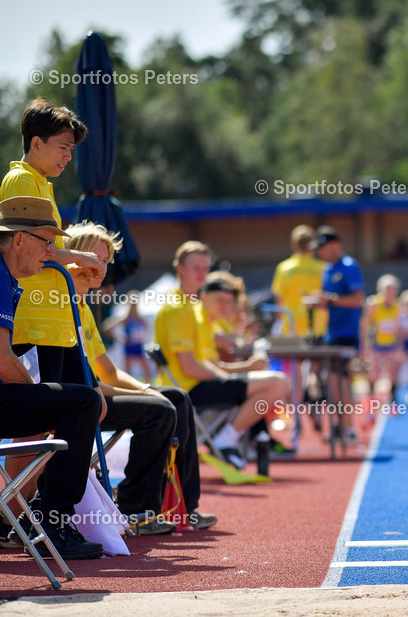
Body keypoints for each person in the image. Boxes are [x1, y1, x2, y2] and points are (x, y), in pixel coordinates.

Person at [64, 222, 216, 532]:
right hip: (80, 402)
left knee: (176, 397)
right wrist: (149, 397)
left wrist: (146, 388)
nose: (101, 267)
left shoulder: (85, 306)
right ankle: (136, 509)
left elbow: (108, 370)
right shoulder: (64, 304)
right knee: (159, 411)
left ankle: (182, 506)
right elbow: (87, 382)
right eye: (94, 258)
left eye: (106, 261)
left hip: (95, 392)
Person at [0, 196, 105, 559]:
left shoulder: (7, 276)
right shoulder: (1, 274)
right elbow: (1, 360)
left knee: (74, 400)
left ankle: (30, 518)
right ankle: (53, 521)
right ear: (18, 240)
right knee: (85, 401)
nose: (51, 252)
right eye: (47, 242)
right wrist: (39, 397)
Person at [153, 242, 290, 469]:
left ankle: (234, 439)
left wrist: (240, 370)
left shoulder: (193, 308)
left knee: (273, 381)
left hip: (198, 383)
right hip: (188, 390)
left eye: (205, 268)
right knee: (279, 383)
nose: (202, 274)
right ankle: (227, 440)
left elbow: (208, 361)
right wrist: (236, 373)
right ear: (180, 269)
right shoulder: (179, 309)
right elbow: (190, 367)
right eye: (196, 268)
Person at [2, 98, 103, 383]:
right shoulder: (21, 180)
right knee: (51, 416)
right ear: (36, 144)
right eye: (63, 148)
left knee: (85, 406)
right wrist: (81, 257)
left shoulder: (39, 182)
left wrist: (72, 263)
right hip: (33, 324)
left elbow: (45, 251)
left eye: (70, 150)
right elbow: (28, 250)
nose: (69, 157)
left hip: (51, 324)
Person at [271, 225, 327, 340]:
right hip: (318, 326)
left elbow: (279, 300)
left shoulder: (284, 268)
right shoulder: (324, 268)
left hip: (291, 326)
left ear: (293, 245)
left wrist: (280, 322)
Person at [313, 226, 365, 348]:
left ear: (335, 245)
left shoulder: (348, 266)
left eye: (322, 247)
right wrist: (318, 301)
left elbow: (358, 300)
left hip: (347, 334)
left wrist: (330, 299)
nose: (319, 252)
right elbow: (327, 300)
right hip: (331, 334)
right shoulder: (327, 269)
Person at [361, 274, 402, 404]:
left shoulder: (397, 306)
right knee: (375, 372)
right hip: (376, 342)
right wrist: (364, 344)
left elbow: (399, 328)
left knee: (393, 371)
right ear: (381, 290)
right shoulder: (373, 304)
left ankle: (393, 397)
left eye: (392, 289)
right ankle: (372, 395)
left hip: (391, 342)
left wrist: (400, 346)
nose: (390, 293)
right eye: (387, 289)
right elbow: (365, 324)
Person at [102, 295, 153, 382]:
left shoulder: (140, 319)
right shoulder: (126, 319)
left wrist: (143, 337)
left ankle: (150, 386)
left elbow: (146, 328)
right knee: (127, 370)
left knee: (145, 369)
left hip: (138, 345)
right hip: (129, 346)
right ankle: (128, 386)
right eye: (132, 304)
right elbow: (107, 327)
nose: (134, 307)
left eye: (135, 304)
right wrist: (119, 338)